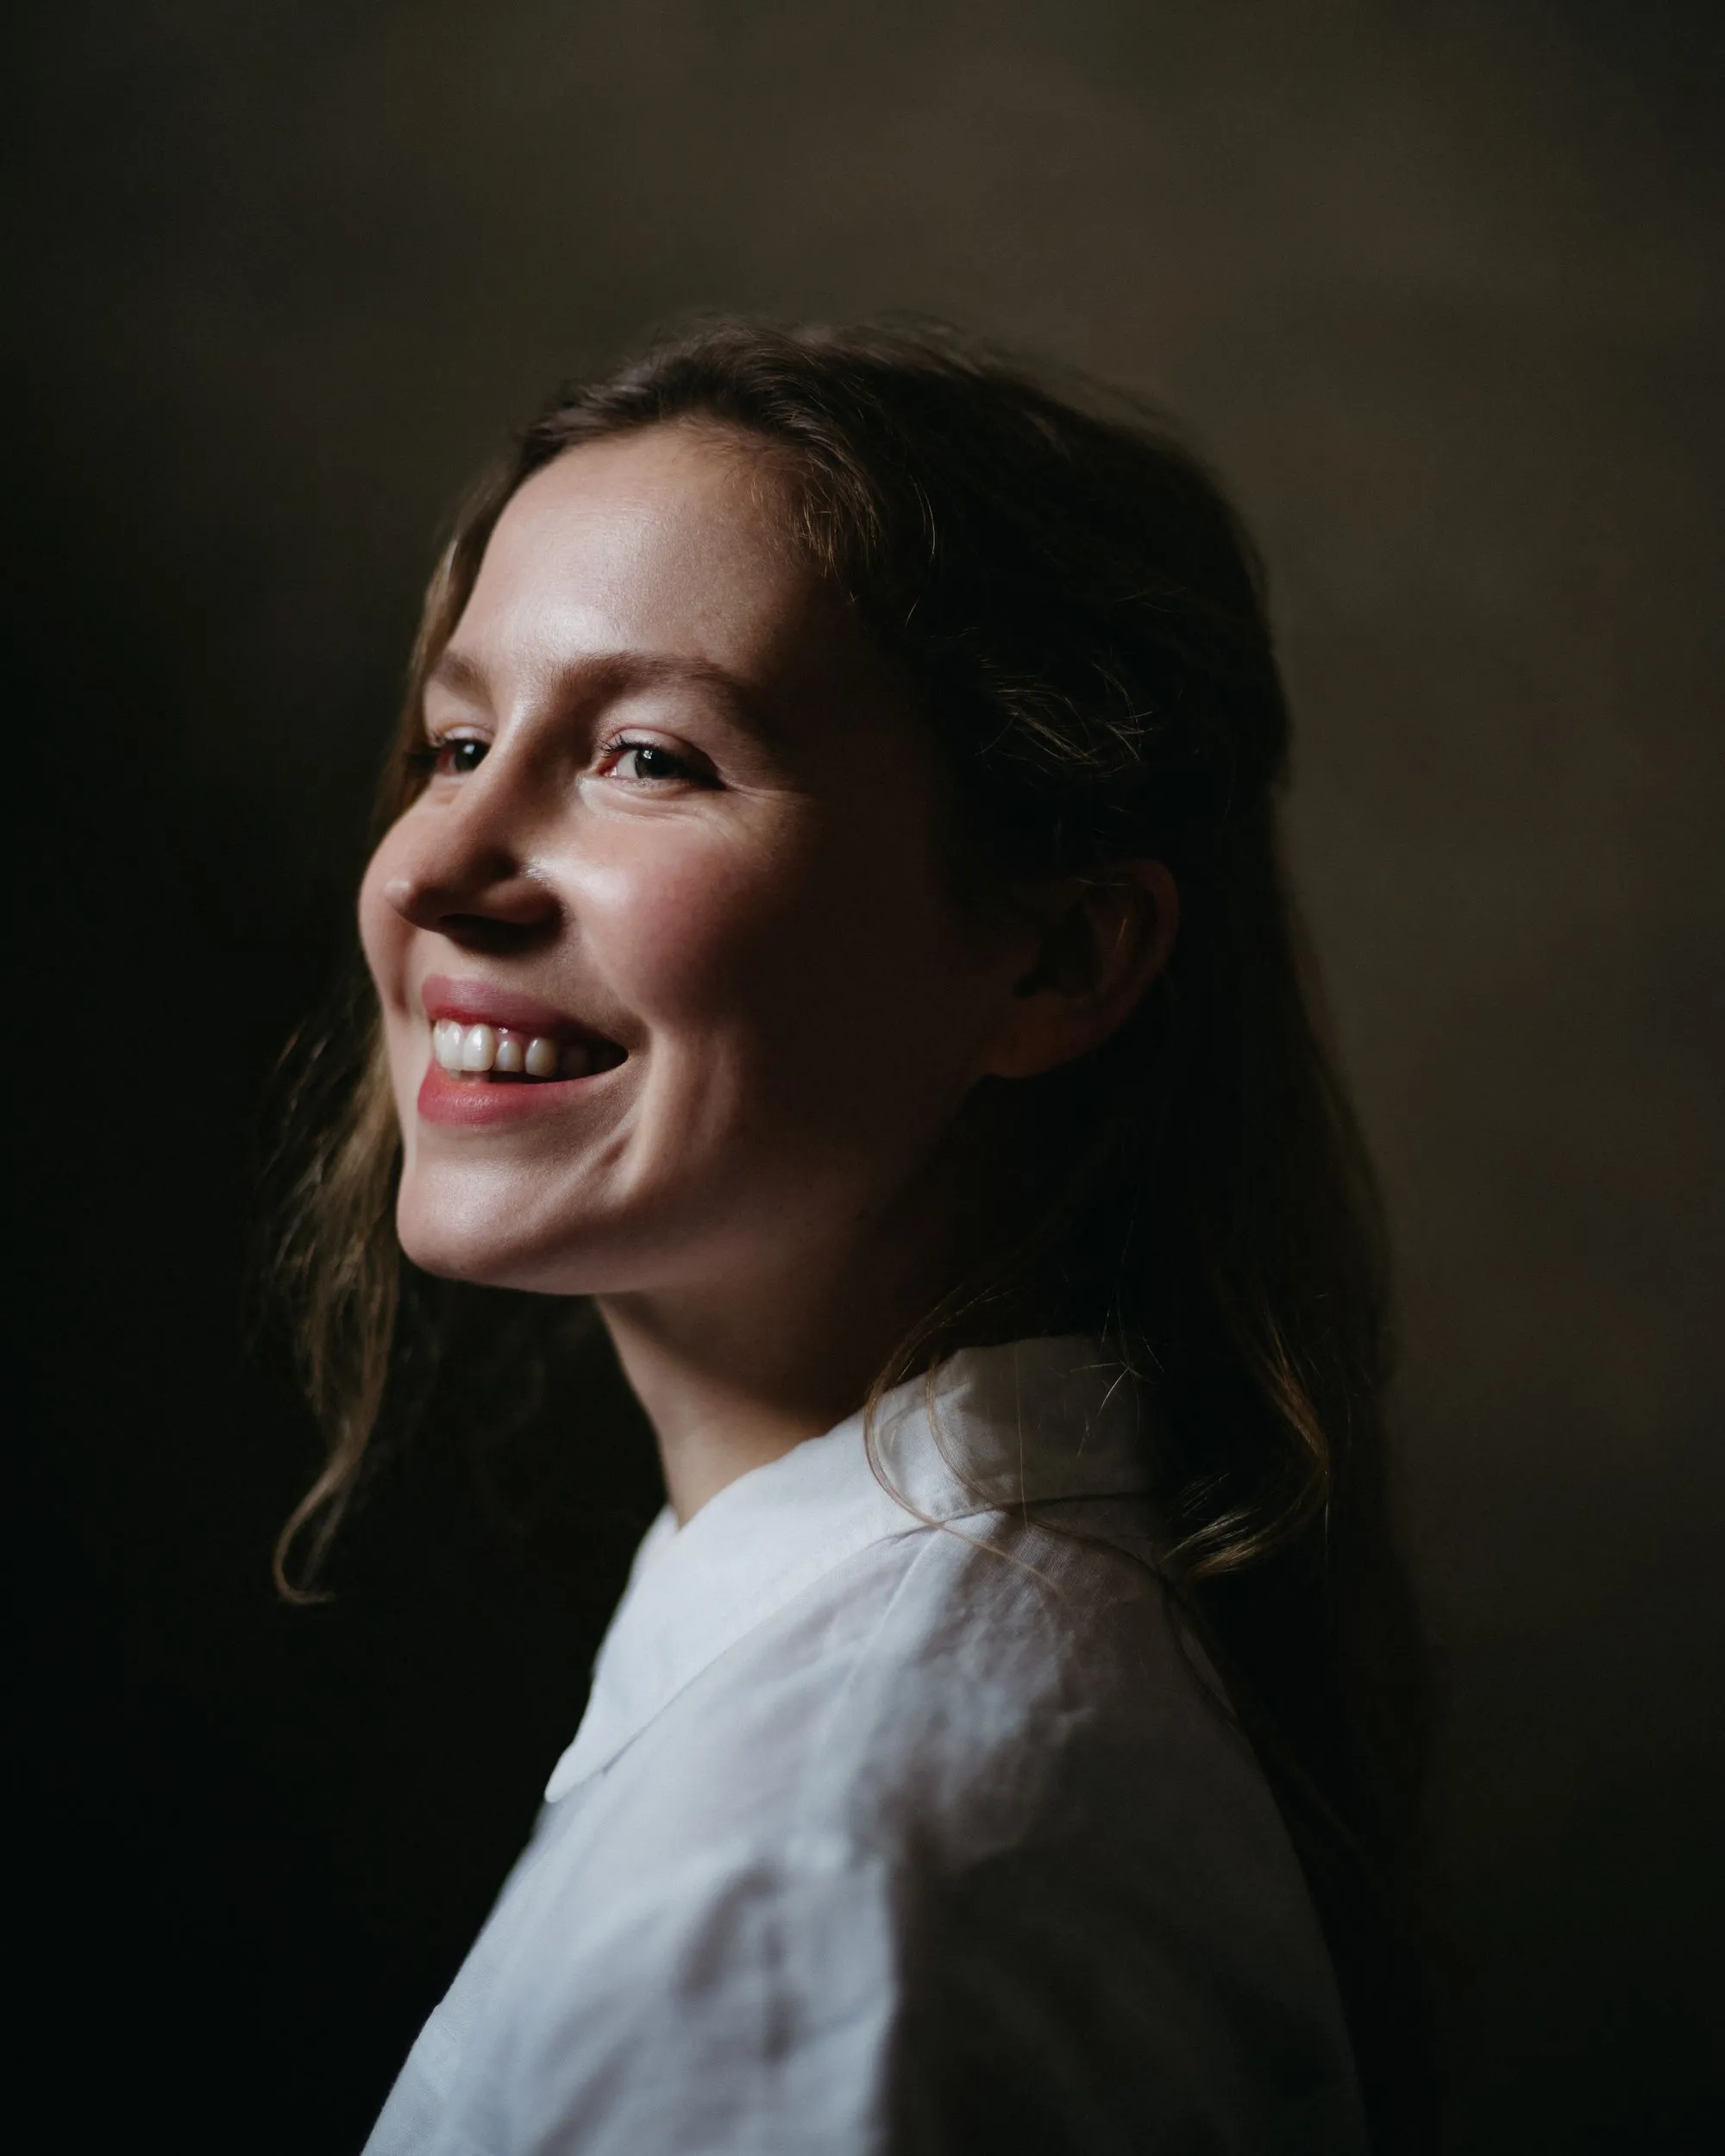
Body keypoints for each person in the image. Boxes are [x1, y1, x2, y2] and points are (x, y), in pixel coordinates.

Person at [277, 321, 1431, 2153]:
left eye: (649, 757)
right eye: (457, 741)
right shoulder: (926, 1705)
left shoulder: (799, 1891)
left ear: (1057, 958)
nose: (427, 869)